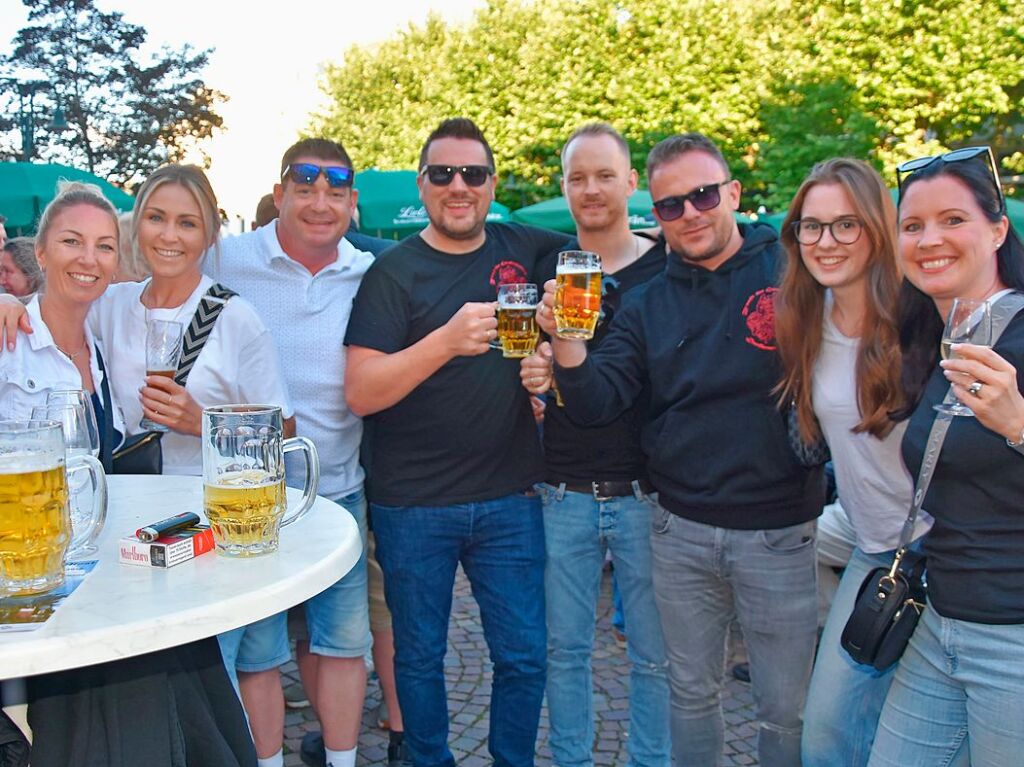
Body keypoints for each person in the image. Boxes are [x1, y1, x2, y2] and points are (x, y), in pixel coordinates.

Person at [536, 132, 822, 767]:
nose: (690, 214)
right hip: (681, 528)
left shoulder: (795, 272)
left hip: (777, 530)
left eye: (702, 196)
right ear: (655, 212)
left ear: (732, 193)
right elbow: (597, 399)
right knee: (690, 697)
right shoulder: (647, 303)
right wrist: (567, 345)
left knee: (786, 711)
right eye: (672, 206)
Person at [344, 117, 567, 767]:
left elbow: (594, 261)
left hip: (510, 494)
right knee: (418, 656)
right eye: (443, 174)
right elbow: (361, 391)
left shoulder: (523, 244)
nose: (459, 186)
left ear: (492, 184)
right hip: (414, 503)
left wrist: (551, 345)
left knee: (524, 656)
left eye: (473, 173)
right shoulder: (393, 273)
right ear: (423, 184)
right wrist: (444, 340)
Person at [208, 137, 405, 767]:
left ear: (352, 203)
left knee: (345, 641)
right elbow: (137, 275)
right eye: (305, 187)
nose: (320, 203)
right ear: (279, 194)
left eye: (336, 191)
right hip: (253, 493)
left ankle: (341, 761)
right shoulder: (228, 258)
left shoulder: (371, 271)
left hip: (341, 490)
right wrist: (16, 304)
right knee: (260, 648)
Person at [865, 148, 1024, 767]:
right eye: (913, 225)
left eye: (953, 220)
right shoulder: (942, 335)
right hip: (938, 619)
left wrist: (1019, 424)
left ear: (998, 228)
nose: (930, 239)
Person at [520, 122, 669, 767]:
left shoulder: (669, 265)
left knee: (655, 657)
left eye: (605, 175)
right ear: (564, 186)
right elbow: (530, 363)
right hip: (563, 490)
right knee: (565, 653)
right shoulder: (545, 270)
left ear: (631, 182)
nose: (591, 190)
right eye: (578, 178)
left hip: (650, 493)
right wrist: (531, 374)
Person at [773, 158, 931, 767]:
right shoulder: (806, 321)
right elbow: (811, 447)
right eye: (810, 227)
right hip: (874, 550)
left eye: (846, 225)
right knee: (825, 738)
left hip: (947, 559)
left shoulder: (922, 320)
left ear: (877, 228)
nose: (826, 242)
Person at [0, 183, 123, 441]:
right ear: (41, 253)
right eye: (72, 241)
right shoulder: (8, 338)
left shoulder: (108, 355)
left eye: (105, 246)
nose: (89, 259)